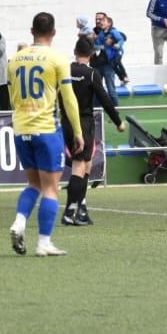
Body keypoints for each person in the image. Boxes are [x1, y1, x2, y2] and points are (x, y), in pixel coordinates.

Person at [7, 12, 84, 257]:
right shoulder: (58, 59)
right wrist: (78, 131)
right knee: (51, 188)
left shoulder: (15, 60)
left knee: (33, 184)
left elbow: (12, 97)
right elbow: (69, 98)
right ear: (53, 32)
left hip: (21, 129)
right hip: (47, 129)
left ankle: (20, 221)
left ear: (32, 32)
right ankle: (43, 243)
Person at [60, 36, 124, 227]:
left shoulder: (65, 71)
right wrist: (118, 121)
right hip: (84, 122)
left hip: (67, 122)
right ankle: (69, 211)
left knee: (86, 165)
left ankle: (82, 208)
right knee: (80, 166)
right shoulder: (92, 73)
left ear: (74, 51)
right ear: (92, 54)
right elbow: (105, 99)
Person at [92, 13, 129, 98]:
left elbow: (122, 38)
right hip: (102, 61)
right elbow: (97, 44)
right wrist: (95, 43)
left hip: (115, 53)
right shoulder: (97, 32)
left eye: (101, 19)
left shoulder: (113, 31)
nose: (99, 21)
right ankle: (122, 77)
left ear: (108, 23)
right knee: (98, 89)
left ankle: (124, 76)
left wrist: (115, 44)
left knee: (117, 62)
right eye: (97, 19)